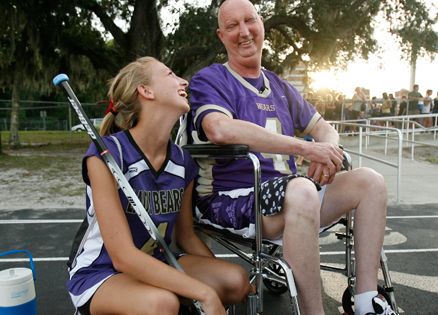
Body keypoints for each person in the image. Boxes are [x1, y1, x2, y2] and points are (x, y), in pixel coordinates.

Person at [187, 1, 395, 315]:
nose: (244, 32)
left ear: (262, 25)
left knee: (370, 182)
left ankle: (367, 300)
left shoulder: (280, 86)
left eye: (249, 22)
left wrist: (328, 155)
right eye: (232, 26)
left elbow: (325, 130)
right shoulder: (211, 80)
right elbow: (219, 129)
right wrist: (305, 149)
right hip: (232, 198)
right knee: (300, 189)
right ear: (221, 36)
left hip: (293, 194)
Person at [66, 56, 250, 315]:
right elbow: (122, 257)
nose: (183, 81)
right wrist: (203, 292)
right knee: (162, 303)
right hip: (102, 272)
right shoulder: (108, 153)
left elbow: (185, 236)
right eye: (171, 74)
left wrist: (216, 277)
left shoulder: (183, 161)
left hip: (158, 261)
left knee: (235, 281)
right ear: (145, 90)